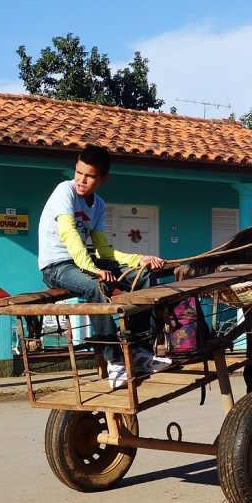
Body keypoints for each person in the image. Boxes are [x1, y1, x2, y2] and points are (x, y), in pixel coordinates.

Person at [38, 145, 172, 389]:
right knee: (97, 287)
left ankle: (140, 351)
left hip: (83, 262)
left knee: (143, 278)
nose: (81, 180)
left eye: (89, 176)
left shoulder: (98, 204)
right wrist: (92, 270)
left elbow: (103, 249)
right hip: (56, 266)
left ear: (103, 179)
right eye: (79, 172)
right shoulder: (64, 191)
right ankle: (115, 360)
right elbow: (70, 235)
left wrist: (138, 259)